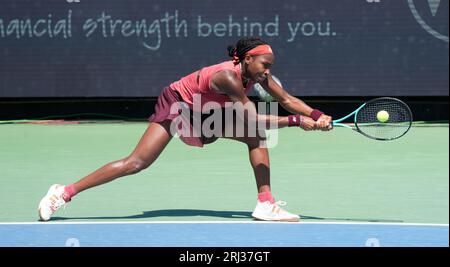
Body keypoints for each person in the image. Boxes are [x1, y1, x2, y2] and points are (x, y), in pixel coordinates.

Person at [38, 37, 333, 222]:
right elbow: (253, 117)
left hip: (205, 109)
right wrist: (296, 122)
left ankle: (265, 204)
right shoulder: (227, 78)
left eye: (270, 65)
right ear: (247, 59)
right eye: (264, 64)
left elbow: (286, 99)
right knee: (136, 163)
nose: (267, 71)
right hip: (179, 104)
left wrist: (318, 114)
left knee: (255, 137)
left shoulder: (256, 75)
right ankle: (62, 192)